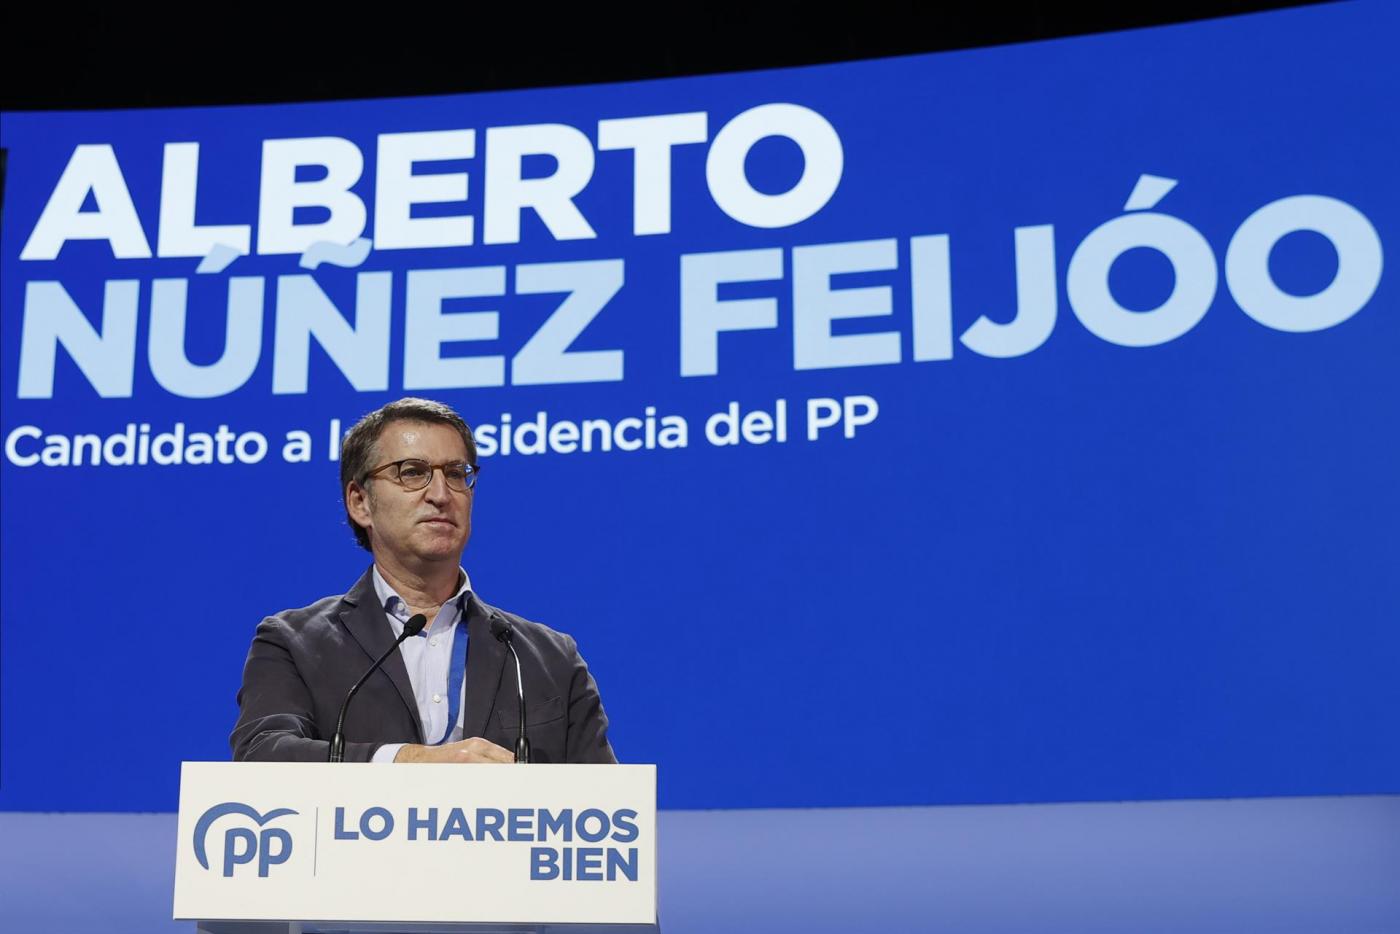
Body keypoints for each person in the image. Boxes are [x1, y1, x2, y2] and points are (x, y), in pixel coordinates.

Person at [230, 397, 616, 764]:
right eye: (412, 472)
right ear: (359, 502)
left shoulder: (547, 657)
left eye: (455, 474)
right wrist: (409, 760)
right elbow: (262, 754)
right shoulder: (293, 643)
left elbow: (605, 805)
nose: (440, 494)